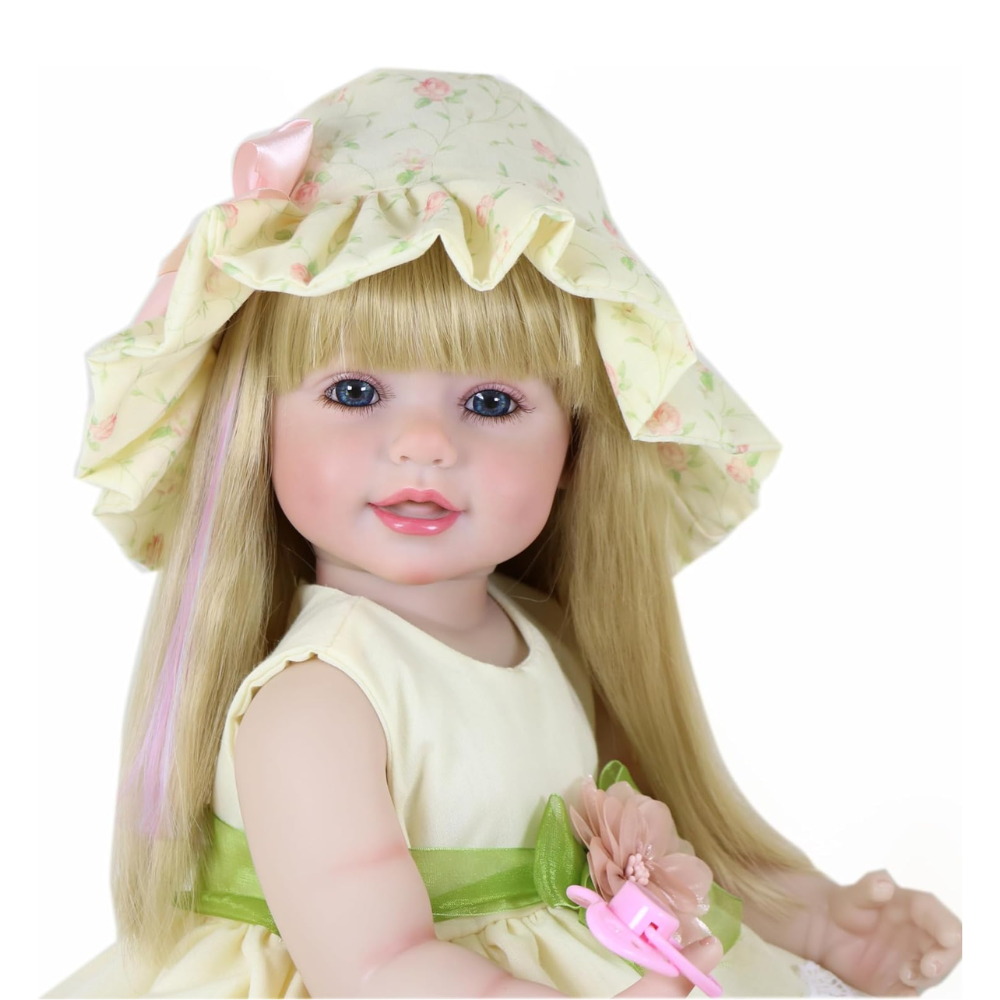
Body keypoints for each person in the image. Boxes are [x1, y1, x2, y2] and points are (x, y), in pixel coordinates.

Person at [43, 68, 961, 998]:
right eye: (355, 392)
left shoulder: (548, 641)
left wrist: (816, 920)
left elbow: (657, 857)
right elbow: (376, 966)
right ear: (257, 428)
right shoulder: (320, 698)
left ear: (575, 448)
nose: (424, 445)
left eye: (490, 402)